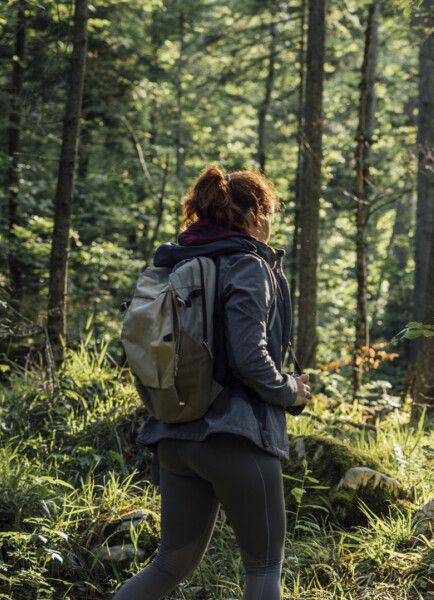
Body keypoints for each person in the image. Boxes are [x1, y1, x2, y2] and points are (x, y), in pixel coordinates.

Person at [115, 165, 312, 600]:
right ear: (256, 213)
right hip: (235, 437)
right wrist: (290, 390)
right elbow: (250, 358)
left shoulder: (178, 262)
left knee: (168, 566)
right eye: (271, 211)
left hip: (174, 434)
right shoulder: (248, 264)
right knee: (263, 568)